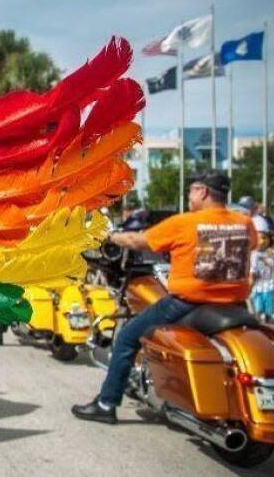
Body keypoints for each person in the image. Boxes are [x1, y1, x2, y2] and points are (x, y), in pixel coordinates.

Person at [72, 170, 257, 424]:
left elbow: (138, 241)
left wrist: (108, 236)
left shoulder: (185, 223)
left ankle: (106, 403)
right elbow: (254, 245)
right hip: (235, 304)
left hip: (188, 302)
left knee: (127, 337)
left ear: (202, 192)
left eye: (192, 189)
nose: (190, 195)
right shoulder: (244, 223)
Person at [249, 231, 274, 321]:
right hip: (257, 287)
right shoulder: (253, 254)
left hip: (269, 286)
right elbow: (252, 271)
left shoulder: (272, 252)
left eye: (264, 238)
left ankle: (268, 325)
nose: (262, 241)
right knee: (257, 310)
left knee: (268, 312)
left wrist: (267, 257)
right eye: (260, 238)